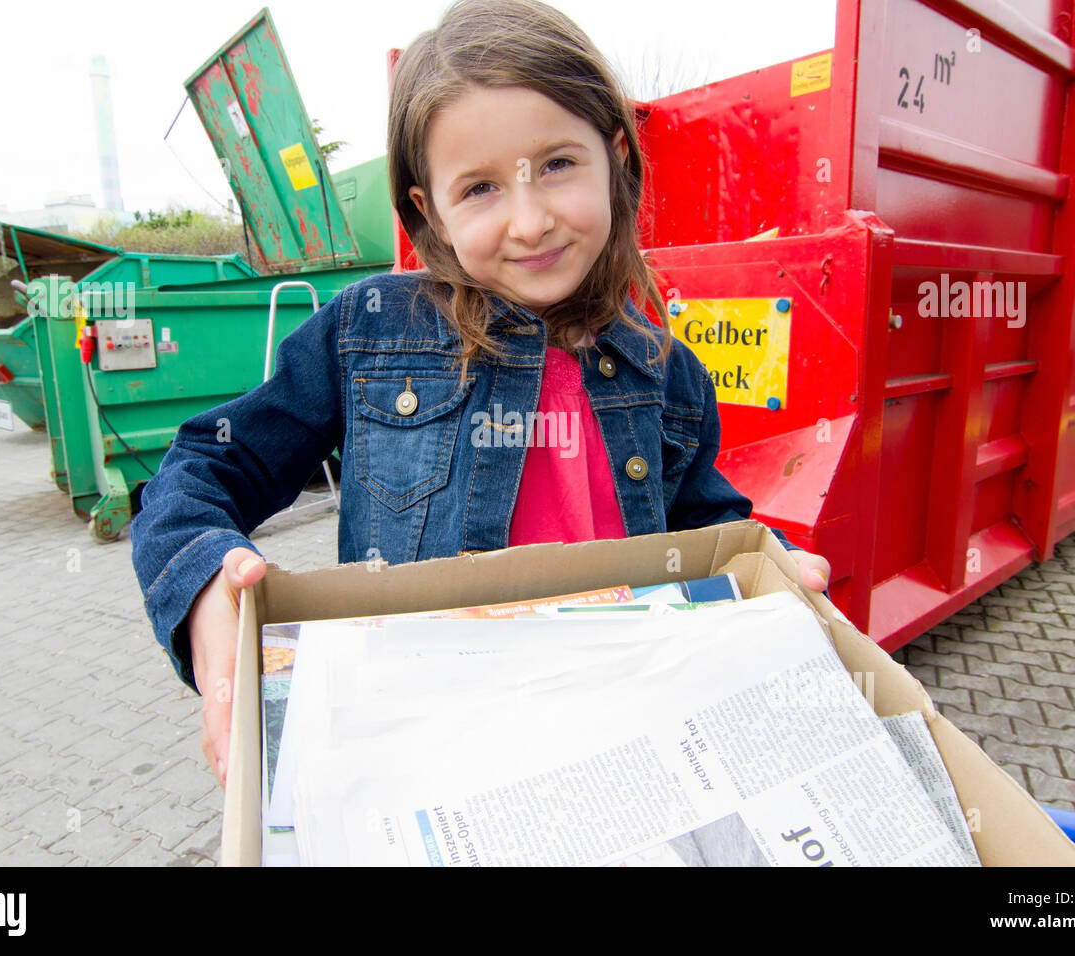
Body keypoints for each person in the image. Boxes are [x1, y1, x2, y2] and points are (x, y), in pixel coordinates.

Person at [130, 0, 832, 788]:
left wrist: (777, 567)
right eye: (481, 188)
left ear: (617, 158)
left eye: (558, 164)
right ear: (430, 209)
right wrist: (203, 588)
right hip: (433, 751)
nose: (529, 222)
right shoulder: (367, 335)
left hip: (619, 736)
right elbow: (198, 471)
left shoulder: (668, 375)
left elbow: (708, 524)